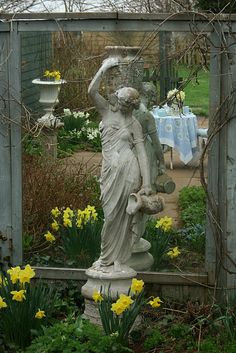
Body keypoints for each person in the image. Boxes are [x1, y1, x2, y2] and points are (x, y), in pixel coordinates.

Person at [88, 57, 152, 271]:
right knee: (110, 215)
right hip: (110, 171)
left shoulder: (134, 124)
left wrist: (148, 183)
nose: (123, 106)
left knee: (125, 215)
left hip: (129, 170)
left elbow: (142, 153)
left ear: (132, 106)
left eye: (128, 104)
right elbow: (91, 92)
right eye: (122, 101)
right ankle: (105, 257)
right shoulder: (106, 111)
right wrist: (103, 68)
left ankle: (119, 260)